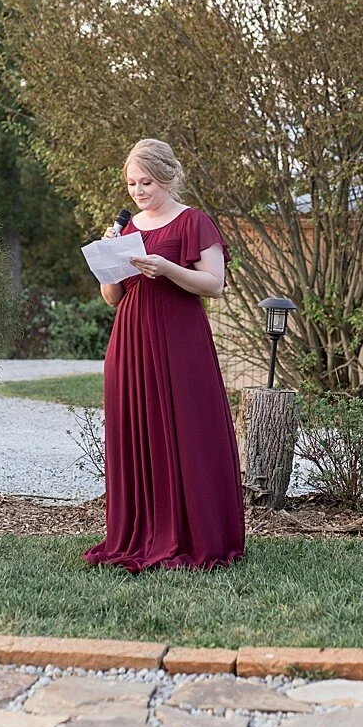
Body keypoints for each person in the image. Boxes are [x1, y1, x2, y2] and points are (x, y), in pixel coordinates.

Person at [84, 138, 246, 571]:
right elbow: (113, 298)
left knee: (186, 430)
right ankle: (140, 534)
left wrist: (168, 268)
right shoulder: (126, 229)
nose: (138, 191)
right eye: (132, 183)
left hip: (180, 339)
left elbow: (214, 284)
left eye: (147, 182)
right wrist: (107, 259)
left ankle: (194, 534)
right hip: (131, 340)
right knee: (137, 432)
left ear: (169, 177)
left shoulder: (194, 222)